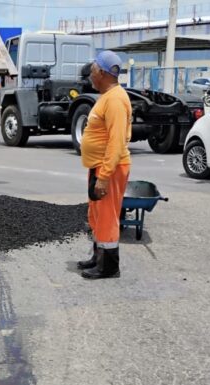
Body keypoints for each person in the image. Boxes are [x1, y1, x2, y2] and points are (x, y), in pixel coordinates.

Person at [77, 50, 131, 279]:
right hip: (98, 166)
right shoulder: (108, 96)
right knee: (96, 214)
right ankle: (98, 256)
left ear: (102, 72)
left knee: (107, 215)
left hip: (109, 168)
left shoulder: (116, 99)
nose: (90, 74)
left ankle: (108, 267)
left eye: (93, 70)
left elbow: (117, 141)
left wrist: (105, 176)